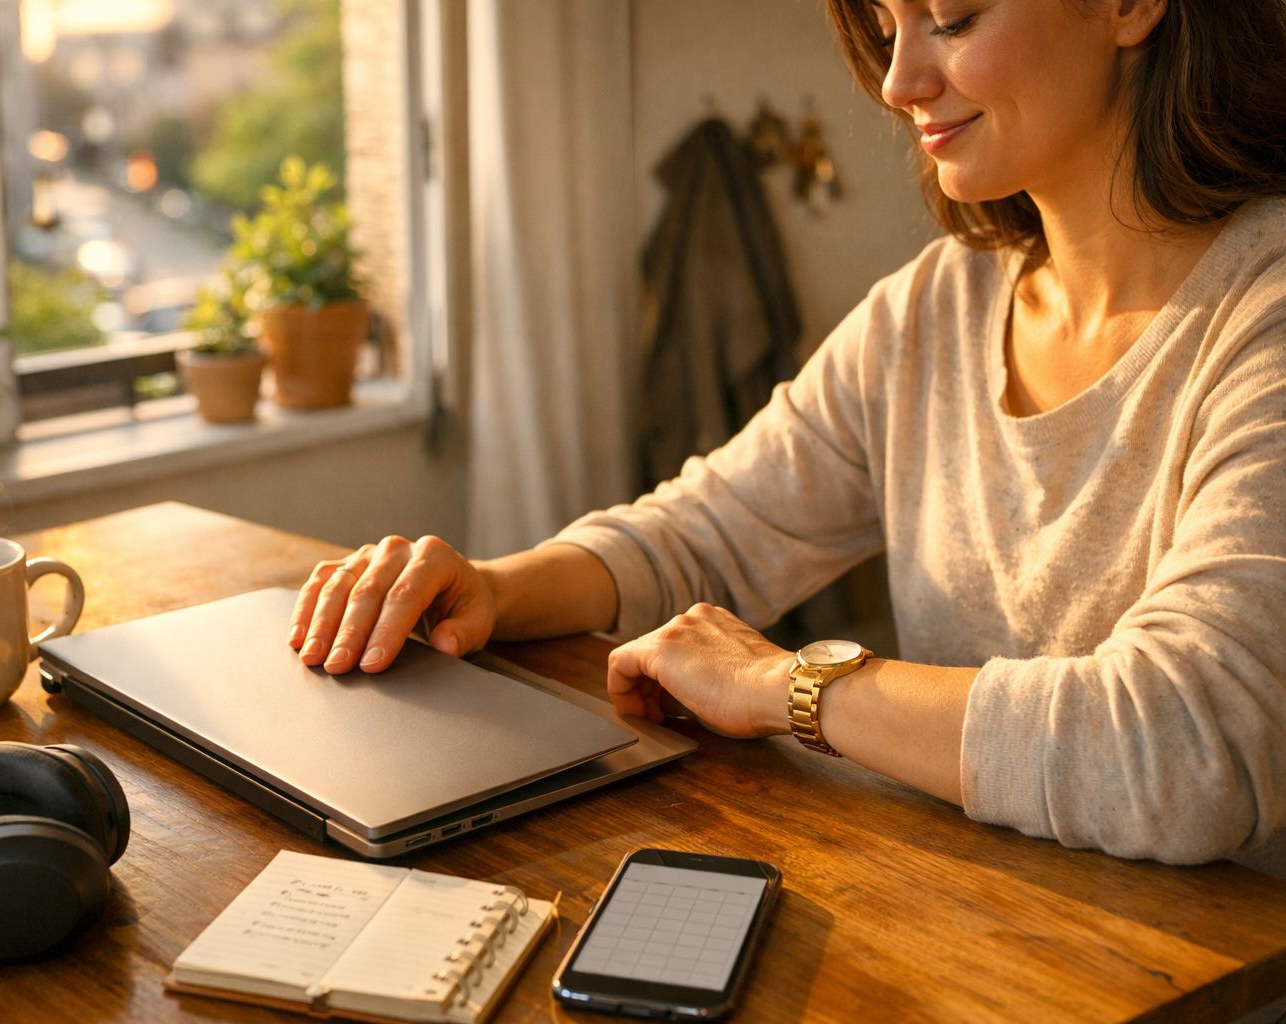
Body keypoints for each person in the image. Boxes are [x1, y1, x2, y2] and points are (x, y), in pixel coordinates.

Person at [289, 0, 1286, 867]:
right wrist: (498, 587)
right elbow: (710, 530)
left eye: (954, 19)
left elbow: (1190, 747)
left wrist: (789, 684)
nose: (899, 81)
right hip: (978, 934)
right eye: (887, 28)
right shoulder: (933, 311)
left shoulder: (1262, 315)